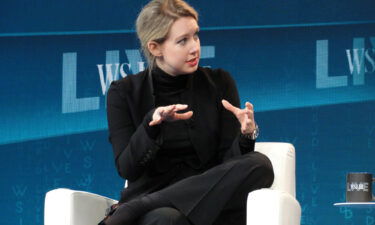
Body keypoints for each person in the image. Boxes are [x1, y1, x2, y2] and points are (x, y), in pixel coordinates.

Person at [100, 0, 274, 225]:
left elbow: (228, 166)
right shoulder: (124, 93)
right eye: (182, 41)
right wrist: (150, 129)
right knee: (166, 218)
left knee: (261, 164)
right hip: (156, 214)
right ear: (155, 47)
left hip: (209, 204)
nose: (194, 47)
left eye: (196, 36)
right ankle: (148, 205)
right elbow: (127, 169)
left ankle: (139, 205)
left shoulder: (220, 83)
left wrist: (245, 136)